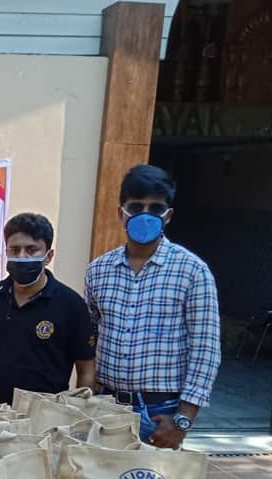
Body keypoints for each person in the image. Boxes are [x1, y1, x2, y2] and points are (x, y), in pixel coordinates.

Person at [85, 164, 221, 449]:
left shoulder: (192, 271)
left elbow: (205, 350)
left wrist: (182, 420)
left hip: (162, 413)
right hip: (106, 406)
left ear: (168, 215)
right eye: (136, 207)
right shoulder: (99, 270)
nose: (145, 215)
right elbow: (91, 333)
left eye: (155, 208)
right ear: (121, 212)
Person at [0, 213, 96, 402]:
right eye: (15, 250)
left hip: (48, 411)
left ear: (48, 256)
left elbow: (86, 369)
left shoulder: (71, 304)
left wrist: (80, 411)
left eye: (31, 250)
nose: (22, 256)